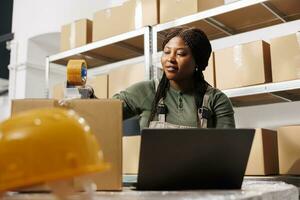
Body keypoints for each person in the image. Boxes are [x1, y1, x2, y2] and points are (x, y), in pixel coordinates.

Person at [113, 27, 235, 129]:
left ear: (197, 60)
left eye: (180, 54)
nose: (170, 59)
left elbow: (228, 149)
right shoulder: (145, 91)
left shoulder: (216, 100)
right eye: (166, 52)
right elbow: (104, 111)